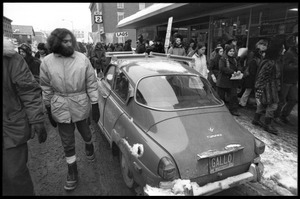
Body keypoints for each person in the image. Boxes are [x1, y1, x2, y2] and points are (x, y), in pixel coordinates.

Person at [40, 28, 100, 191]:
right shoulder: (46, 62)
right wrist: (47, 107)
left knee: (86, 133)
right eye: (64, 41)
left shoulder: (82, 59)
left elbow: (91, 83)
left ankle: (88, 144)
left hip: (80, 103)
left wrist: (95, 104)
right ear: (55, 43)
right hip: (60, 105)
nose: (68, 44)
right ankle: (72, 172)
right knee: (67, 142)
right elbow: (45, 87)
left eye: (70, 41)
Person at [3, 36, 47, 195]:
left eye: (23, 51)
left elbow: (28, 89)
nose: (21, 52)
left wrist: (36, 118)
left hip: (9, 128)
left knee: (14, 175)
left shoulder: (10, 59)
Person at [252, 40, 281, 135]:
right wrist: (259, 89)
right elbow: (261, 76)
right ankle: (267, 124)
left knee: (263, 105)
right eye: (282, 48)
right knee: (272, 105)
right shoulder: (270, 62)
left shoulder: (268, 60)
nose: (284, 50)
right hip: (268, 88)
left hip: (268, 87)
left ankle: (256, 120)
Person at [274, 26, 298, 125]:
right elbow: (285, 67)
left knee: (294, 99)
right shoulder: (289, 53)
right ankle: (276, 116)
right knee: (282, 100)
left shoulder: (296, 54)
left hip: (293, 81)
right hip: (286, 80)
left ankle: (284, 115)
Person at [239, 38, 269, 108]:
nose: (264, 46)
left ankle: (244, 103)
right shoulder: (254, 54)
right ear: (258, 44)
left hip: (255, 75)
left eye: (265, 45)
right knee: (249, 90)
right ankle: (243, 103)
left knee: (250, 91)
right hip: (252, 75)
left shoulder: (262, 54)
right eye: (262, 44)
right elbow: (250, 64)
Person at [216, 44, 242, 116]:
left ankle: (233, 110)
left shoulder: (235, 59)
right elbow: (222, 68)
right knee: (220, 97)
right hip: (223, 81)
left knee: (233, 96)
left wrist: (239, 70)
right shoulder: (223, 59)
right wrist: (232, 72)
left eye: (233, 51)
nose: (232, 52)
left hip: (233, 81)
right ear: (227, 51)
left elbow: (239, 66)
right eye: (230, 51)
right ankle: (219, 110)